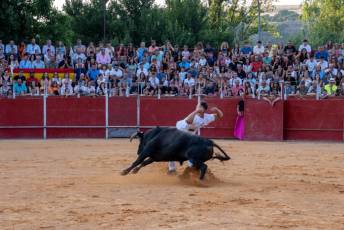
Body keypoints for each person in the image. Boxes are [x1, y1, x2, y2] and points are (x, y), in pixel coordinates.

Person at [168, 101, 223, 173]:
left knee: (192, 152)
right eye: (197, 106)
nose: (196, 107)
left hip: (190, 136)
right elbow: (188, 121)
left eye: (198, 106)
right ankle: (172, 169)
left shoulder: (206, 117)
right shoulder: (194, 116)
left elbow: (220, 115)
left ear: (202, 109)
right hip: (179, 132)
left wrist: (217, 110)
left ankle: (192, 167)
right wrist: (196, 111)